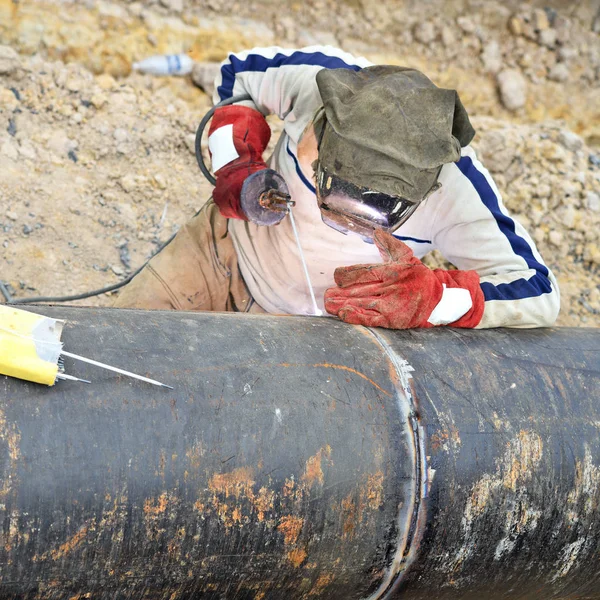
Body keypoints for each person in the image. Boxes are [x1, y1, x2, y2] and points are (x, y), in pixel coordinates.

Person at [114, 45, 560, 329]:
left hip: (313, 332)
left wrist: (433, 297)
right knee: (115, 347)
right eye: (333, 190)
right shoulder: (317, 83)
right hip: (218, 253)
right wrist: (238, 164)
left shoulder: (456, 188)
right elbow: (237, 75)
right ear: (323, 125)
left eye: (367, 211)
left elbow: (538, 292)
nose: (341, 215)